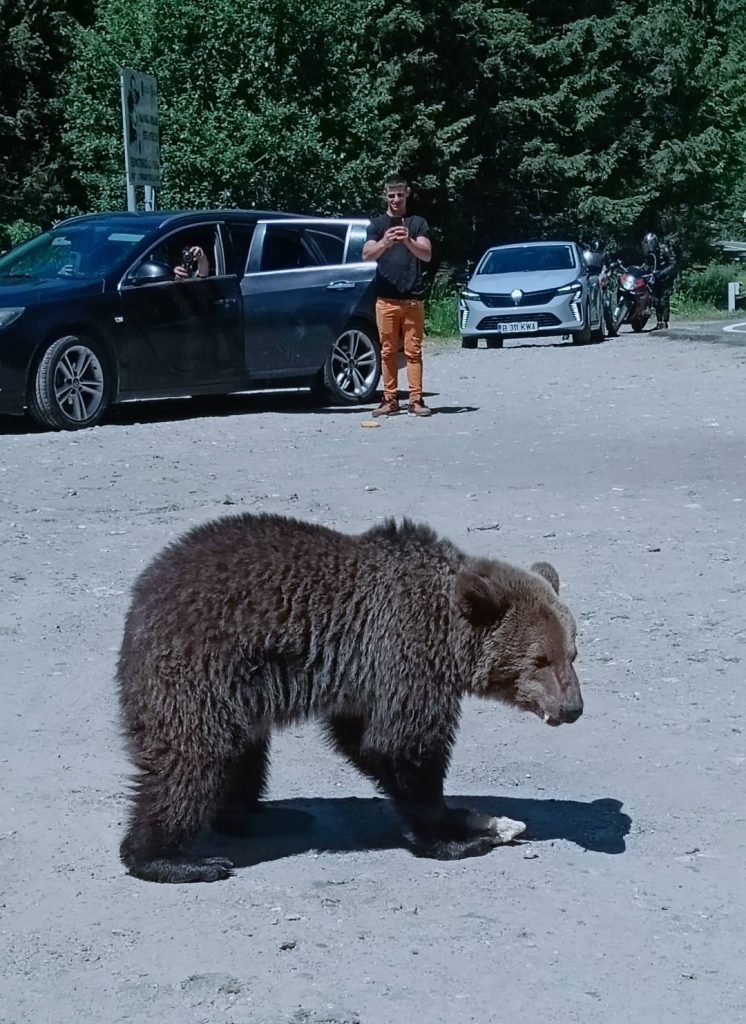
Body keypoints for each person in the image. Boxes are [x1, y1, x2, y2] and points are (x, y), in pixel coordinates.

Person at [363, 176, 433, 417]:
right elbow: (366, 254)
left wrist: (407, 240)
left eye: (400, 195)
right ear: (385, 195)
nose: (395, 200)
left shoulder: (417, 223)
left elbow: (426, 254)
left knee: (413, 351)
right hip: (386, 299)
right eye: (391, 195)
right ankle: (389, 399)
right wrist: (385, 242)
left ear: (407, 194)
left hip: (413, 298)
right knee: (387, 351)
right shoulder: (376, 225)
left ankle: (416, 400)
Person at [641, 232, 677, 329]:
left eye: (650, 244)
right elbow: (647, 264)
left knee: (664, 300)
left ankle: (665, 322)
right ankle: (659, 322)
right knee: (656, 301)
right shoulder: (650, 253)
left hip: (665, 278)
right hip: (655, 278)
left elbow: (672, 264)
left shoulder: (664, 249)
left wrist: (662, 273)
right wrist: (642, 271)